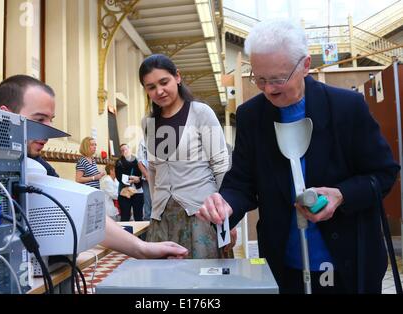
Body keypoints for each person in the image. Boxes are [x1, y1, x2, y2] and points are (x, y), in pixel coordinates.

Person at [196, 19, 400, 294]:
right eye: (259, 78)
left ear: (305, 66)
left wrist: (341, 195)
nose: (268, 89)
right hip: (285, 264)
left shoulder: (346, 108)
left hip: (348, 260)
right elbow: (241, 184)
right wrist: (225, 203)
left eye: (278, 79)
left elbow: (384, 173)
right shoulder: (252, 116)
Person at [0, 74, 188, 259]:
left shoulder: (40, 166)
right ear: (5, 116)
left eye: (51, 120)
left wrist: (142, 249)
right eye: (39, 119)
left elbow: (85, 213)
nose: (48, 130)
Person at [139, 54, 235, 259]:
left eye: (164, 82)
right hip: (162, 220)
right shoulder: (148, 123)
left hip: (201, 216)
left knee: (205, 282)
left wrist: (228, 218)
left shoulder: (201, 113)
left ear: (177, 77)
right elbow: (154, 171)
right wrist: (155, 209)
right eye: (151, 87)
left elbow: (221, 166)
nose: (159, 91)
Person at [115, 144, 144, 222]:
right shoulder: (119, 162)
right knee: (125, 217)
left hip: (138, 192)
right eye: (122, 150)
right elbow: (118, 177)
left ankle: (139, 235)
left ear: (130, 149)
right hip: (125, 192)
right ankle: (125, 234)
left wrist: (139, 179)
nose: (124, 151)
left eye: (126, 149)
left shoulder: (138, 160)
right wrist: (131, 179)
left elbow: (143, 174)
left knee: (138, 217)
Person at [137, 138, 152, 220]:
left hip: (161, 179)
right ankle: (148, 230)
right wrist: (148, 176)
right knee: (148, 206)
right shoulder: (143, 142)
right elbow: (140, 162)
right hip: (147, 179)